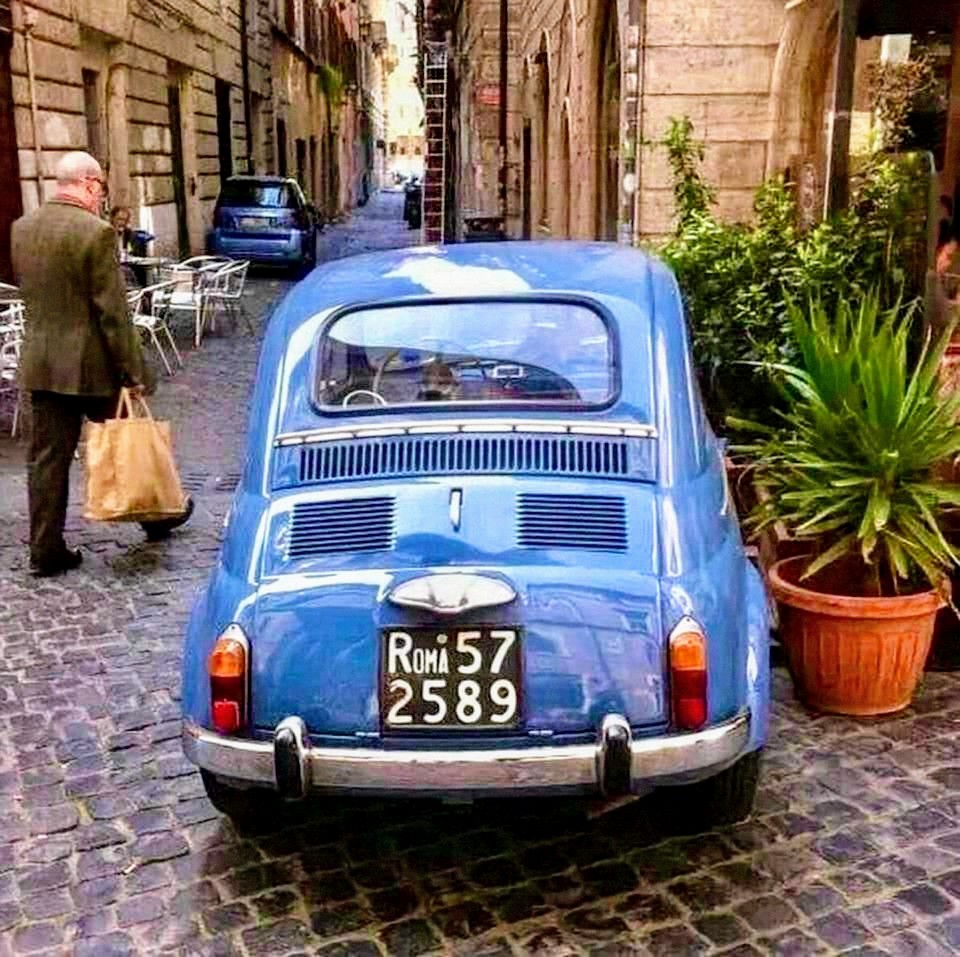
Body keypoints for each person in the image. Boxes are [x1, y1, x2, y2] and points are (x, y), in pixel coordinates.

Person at [11, 151, 192, 577]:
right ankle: (158, 515)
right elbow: (112, 313)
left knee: (47, 460)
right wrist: (135, 370)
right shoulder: (95, 233)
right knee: (132, 434)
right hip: (91, 367)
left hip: (41, 363)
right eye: (101, 189)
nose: (101, 197)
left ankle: (45, 551)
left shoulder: (22, 229)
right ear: (90, 184)